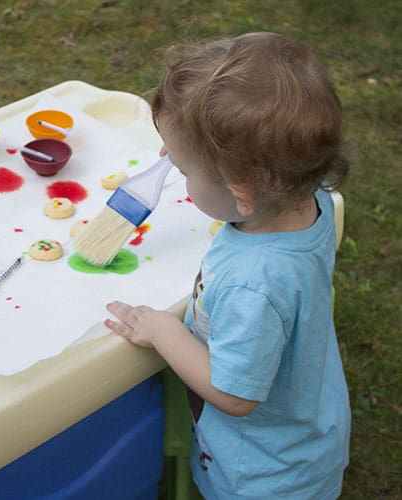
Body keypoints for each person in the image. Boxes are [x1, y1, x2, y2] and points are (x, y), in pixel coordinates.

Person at [105, 32, 350, 499]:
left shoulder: (254, 284)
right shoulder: (307, 201)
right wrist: (190, 150)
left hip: (265, 475)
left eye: (183, 168)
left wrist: (164, 332)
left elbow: (236, 394)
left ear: (241, 192)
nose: (174, 170)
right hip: (306, 434)